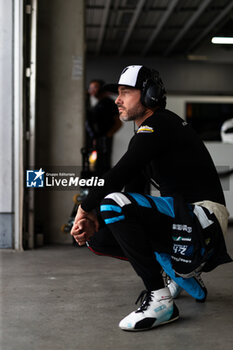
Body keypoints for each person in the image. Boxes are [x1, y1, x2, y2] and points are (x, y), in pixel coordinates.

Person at [71, 65, 231, 331]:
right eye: (117, 94)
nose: (117, 100)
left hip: (205, 219)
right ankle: (180, 272)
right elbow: (131, 190)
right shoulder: (145, 134)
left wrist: (84, 208)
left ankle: (160, 300)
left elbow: (119, 174)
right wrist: (93, 218)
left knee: (112, 204)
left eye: (125, 93)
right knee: (98, 234)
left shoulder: (160, 124)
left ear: (150, 94)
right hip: (186, 221)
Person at [85, 79, 122, 175]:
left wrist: (107, 135)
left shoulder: (108, 103)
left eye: (94, 87)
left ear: (101, 88)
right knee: (94, 165)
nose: (91, 90)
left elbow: (118, 123)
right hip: (96, 140)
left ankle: (105, 188)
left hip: (104, 140)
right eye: (90, 88)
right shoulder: (97, 104)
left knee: (103, 165)